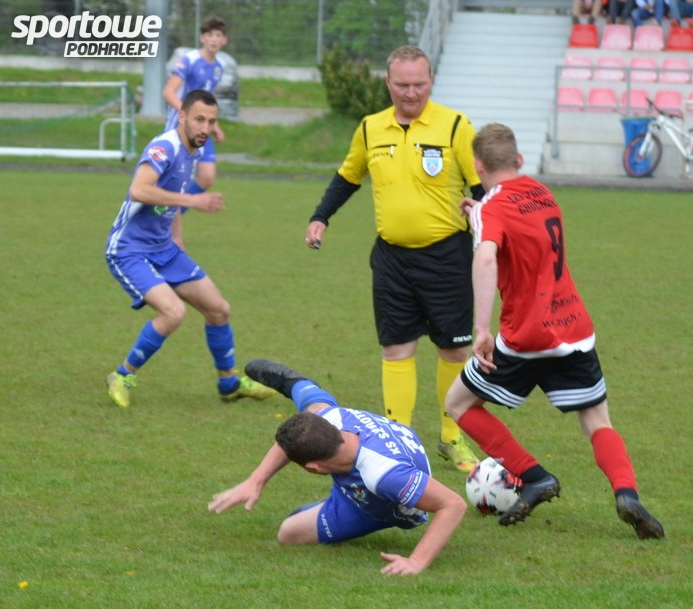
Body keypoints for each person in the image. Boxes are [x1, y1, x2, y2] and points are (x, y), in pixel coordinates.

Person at [444, 123, 665, 540]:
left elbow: (487, 257)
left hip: (525, 337)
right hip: (572, 329)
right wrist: (480, 214)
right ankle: (627, 494)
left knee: (458, 403)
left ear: (478, 166)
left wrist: (481, 329)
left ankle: (534, 476)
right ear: (519, 160)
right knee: (597, 421)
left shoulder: (492, 208)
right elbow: (519, 227)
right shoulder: (543, 193)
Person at [304, 45, 484, 473]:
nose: (411, 92)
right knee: (396, 348)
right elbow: (348, 177)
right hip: (392, 260)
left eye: (419, 84)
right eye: (402, 85)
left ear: (431, 80)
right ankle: (398, 442)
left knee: (454, 351)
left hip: (447, 257)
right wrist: (321, 216)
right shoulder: (370, 128)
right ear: (388, 83)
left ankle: (451, 437)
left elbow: (482, 187)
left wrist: (487, 214)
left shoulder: (455, 126)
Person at [208, 358, 468, 575]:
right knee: (312, 407)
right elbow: (294, 436)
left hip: (378, 506)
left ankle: (328, 506)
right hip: (374, 462)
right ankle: (297, 384)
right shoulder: (328, 419)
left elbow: (453, 504)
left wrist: (417, 561)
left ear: (314, 468)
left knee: (288, 533)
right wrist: (255, 480)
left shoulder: (383, 475)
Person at [104, 89, 274, 408]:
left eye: (211, 121)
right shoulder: (164, 146)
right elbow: (139, 190)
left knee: (219, 309)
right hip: (129, 250)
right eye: (199, 119)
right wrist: (193, 200)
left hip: (165, 249)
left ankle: (229, 383)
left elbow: (172, 198)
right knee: (173, 313)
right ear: (181, 116)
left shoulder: (194, 150)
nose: (205, 128)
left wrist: (178, 239)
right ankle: (122, 375)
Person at [161, 14, 228, 195]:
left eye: (218, 35)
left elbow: (207, 98)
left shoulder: (219, 67)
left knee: (207, 178)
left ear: (224, 40)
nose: (214, 39)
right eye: (210, 35)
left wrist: (215, 126)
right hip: (181, 127)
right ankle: (161, 209)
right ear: (202, 38)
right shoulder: (189, 60)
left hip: (202, 128)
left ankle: (174, 208)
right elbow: (168, 92)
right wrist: (189, 113)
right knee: (176, 182)